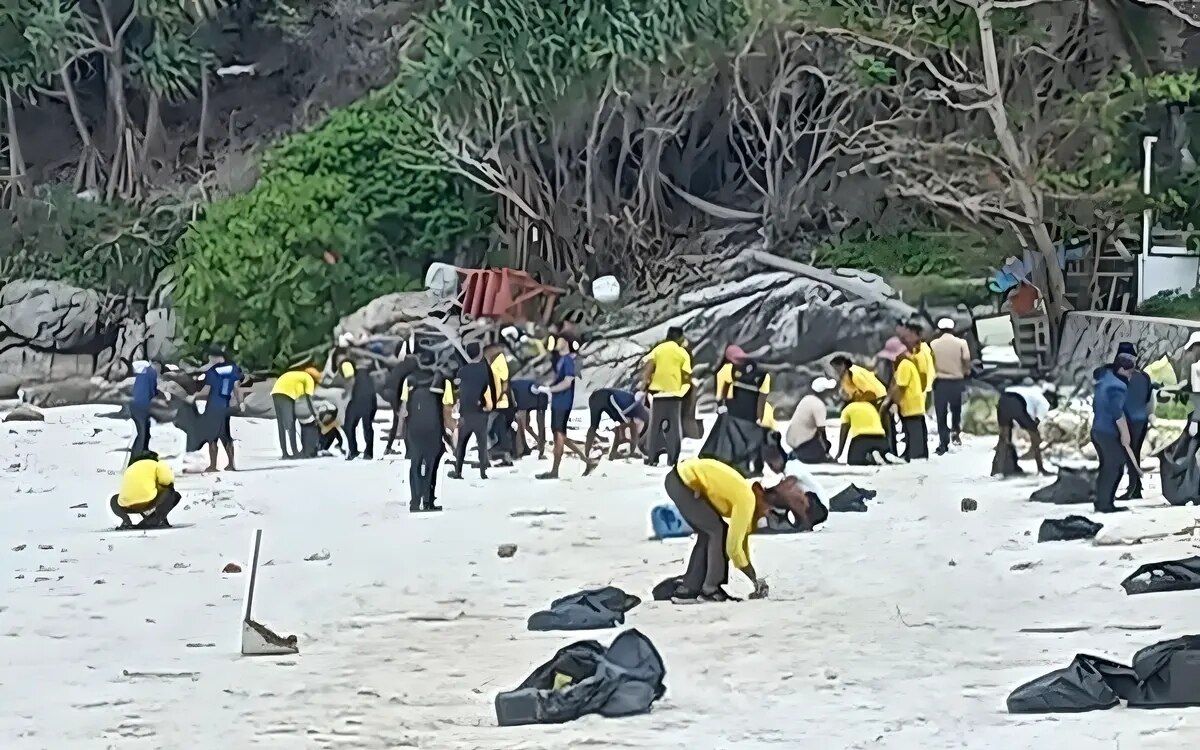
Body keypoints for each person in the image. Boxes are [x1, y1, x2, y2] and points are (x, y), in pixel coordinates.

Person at [663, 456, 770, 603]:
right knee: (717, 531)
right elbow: (733, 549)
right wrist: (753, 578)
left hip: (678, 479)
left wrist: (753, 577)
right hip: (683, 482)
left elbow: (740, 543)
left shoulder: (745, 493)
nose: (767, 514)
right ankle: (710, 589)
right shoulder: (747, 500)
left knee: (709, 532)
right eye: (769, 510)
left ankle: (689, 588)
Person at [704, 344, 774, 475]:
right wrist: (760, 417)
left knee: (730, 441)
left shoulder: (729, 370)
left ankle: (732, 465)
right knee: (748, 440)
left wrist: (722, 406)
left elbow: (722, 391)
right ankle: (749, 466)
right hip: (747, 415)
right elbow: (762, 398)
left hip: (732, 412)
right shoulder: (762, 375)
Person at [536, 336, 596, 479]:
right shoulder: (560, 359)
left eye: (559, 339)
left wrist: (550, 390)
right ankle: (586, 461)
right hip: (558, 401)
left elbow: (568, 382)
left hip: (564, 402)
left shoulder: (569, 360)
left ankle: (555, 470)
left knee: (559, 435)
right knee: (560, 435)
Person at [407, 354, 456, 512]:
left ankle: (414, 502)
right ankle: (428, 501)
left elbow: (402, 410)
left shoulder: (410, 379)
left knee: (415, 463)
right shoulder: (442, 380)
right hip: (433, 428)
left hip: (414, 428)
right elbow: (447, 410)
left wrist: (402, 431)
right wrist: (451, 435)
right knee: (431, 464)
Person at [1092, 353, 1138, 513]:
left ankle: (1101, 501)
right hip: (1107, 432)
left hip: (1097, 430)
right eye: (1129, 372)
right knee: (1115, 465)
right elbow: (1117, 412)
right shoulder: (1117, 386)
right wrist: (1126, 435)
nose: (1130, 376)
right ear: (1121, 369)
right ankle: (1105, 504)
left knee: (1107, 466)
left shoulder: (1103, 380)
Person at [641, 326, 692, 466]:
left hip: (658, 394)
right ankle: (673, 458)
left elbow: (648, 368)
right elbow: (687, 374)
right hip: (675, 394)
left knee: (654, 426)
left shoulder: (659, 349)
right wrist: (685, 391)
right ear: (680, 338)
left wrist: (644, 385)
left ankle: (652, 457)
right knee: (674, 427)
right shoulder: (682, 353)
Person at [449, 343, 497, 480]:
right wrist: (490, 404)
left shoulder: (462, 370)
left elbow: (458, 387)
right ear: (479, 354)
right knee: (482, 443)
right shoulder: (484, 369)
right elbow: (491, 387)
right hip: (480, 411)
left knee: (462, 443)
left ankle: (458, 471)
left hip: (465, 413)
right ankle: (483, 472)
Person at [879, 337, 927, 460]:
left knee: (913, 433)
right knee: (911, 433)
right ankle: (912, 452)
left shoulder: (904, 366)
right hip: (913, 406)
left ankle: (915, 454)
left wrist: (889, 403)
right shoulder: (904, 365)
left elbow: (899, 387)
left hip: (911, 406)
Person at [196, 345, 242, 472]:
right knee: (225, 435)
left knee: (212, 436)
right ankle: (231, 464)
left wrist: (193, 396)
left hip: (213, 406)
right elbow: (236, 387)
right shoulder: (233, 369)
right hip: (225, 406)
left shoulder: (212, 371)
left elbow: (207, 390)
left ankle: (213, 465)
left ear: (215, 357)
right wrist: (239, 403)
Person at [994, 379, 1054, 476]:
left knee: (1004, 438)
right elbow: (1036, 422)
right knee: (1036, 438)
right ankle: (1041, 469)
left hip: (1003, 400)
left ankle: (996, 470)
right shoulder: (1043, 401)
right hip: (1016, 402)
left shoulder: (1027, 389)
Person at [930, 318, 971, 454]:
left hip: (940, 382)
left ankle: (943, 442)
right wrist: (965, 372)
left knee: (941, 413)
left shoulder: (934, 344)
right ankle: (955, 431)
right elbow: (966, 359)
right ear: (953, 329)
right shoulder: (961, 343)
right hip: (956, 381)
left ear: (939, 329)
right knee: (956, 409)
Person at [110, 451, 181, 529]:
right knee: (171, 492)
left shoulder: (130, 468)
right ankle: (156, 519)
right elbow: (167, 482)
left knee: (115, 499)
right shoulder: (156, 465)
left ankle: (126, 521)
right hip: (147, 501)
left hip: (128, 506)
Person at [1117, 342, 1153, 499]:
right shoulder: (1144, 376)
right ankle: (1137, 487)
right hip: (1142, 420)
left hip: (1129, 420)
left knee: (1129, 454)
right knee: (1135, 453)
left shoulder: (1121, 377)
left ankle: (1133, 489)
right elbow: (1148, 398)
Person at [584, 387, 648, 460]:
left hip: (595, 397)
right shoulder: (636, 407)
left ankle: (587, 455)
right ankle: (625, 452)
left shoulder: (632, 401)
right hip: (609, 398)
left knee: (594, 426)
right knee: (626, 425)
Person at [271, 367, 321, 459]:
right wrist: (315, 414)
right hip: (286, 393)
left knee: (281, 424)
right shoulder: (309, 379)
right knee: (290, 423)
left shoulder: (300, 376)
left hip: (276, 390)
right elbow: (309, 400)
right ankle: (294, 452)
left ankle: (285, 453)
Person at [785, 376, 836, 463]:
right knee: (823, 451)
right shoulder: (819, 405)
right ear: (824, 392)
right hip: (803, 442)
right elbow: (821, 429)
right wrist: (826, 449)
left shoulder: (806, 399)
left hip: (791, 439)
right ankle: (803, 456)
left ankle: (798, 453)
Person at [836, 394, 894, 465]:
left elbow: (844, 432)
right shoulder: (871, 407)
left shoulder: (848, 409)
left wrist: (839, 453)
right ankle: (880, 454)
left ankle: (872, 458)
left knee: (854, 462)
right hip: (881, 439)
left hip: (861, 440)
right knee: (884, 459)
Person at [339, 358, 379, 460]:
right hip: (358, 401)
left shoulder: (361, 374)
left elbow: (370, 391)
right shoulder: (359, 373)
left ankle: (365, 452)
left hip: (365, 401)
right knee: (351, 426)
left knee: (365, 427)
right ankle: (355, 451)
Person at [485, 342, 515, 466]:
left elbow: (504, 380)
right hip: (499, 401)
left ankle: (490, 455)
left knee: (491, 427)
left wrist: (502, 396)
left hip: (501, 402)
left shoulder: (499, 360)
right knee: (500, 428)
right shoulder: (494, 361)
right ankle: (504, 457)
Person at [901, 320, 936, 407]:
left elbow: (922, 373)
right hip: (927, 385)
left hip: (920, 389)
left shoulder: (918, 353)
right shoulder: (925, 346)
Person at [129, 360, 160, 458]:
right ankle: (136, 458)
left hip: (136, 404)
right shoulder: (152, 372)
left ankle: (144, 451)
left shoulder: (142, 372)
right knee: (142, 433)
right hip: (141, 405)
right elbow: (153, 391)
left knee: (145, 430)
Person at [511, 377, 547, 458]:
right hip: (522, 393)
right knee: (523, 424)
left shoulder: (542, 394)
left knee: (526, 424)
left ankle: (539, 448)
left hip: (532, 395)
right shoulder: (517, 388)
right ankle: (524, 448)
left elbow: (541, 426)